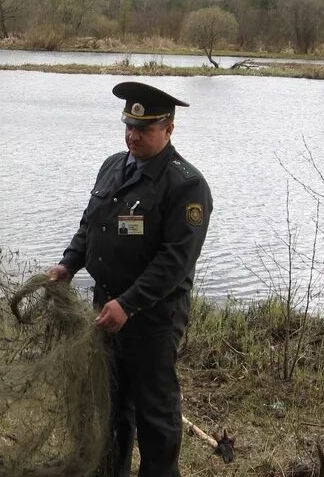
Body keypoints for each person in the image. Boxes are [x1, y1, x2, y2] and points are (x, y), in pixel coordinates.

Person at [48, 81, 212, 477]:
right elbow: (91, 225)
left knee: (155, 413)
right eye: (129, 126)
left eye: (144, 129)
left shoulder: (186, 185)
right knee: (110, 406)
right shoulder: (112, 165)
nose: (132, 135)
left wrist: (129, 303)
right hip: (105, 307)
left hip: (153, 318)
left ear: (169, 129)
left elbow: (175, 261)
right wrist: (68, 265)